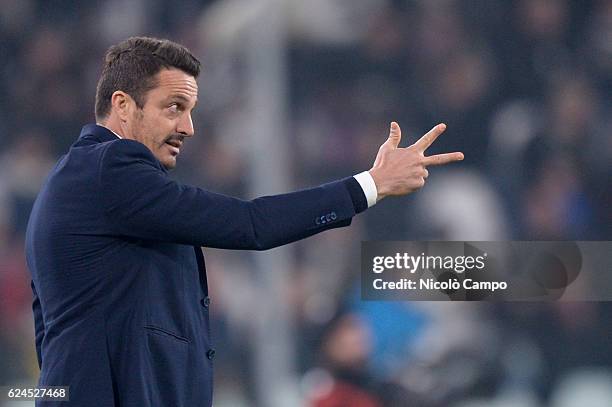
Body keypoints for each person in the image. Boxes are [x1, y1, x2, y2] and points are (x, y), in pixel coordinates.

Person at [25, 37, 463, 407]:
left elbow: (50, 330)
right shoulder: (112, 167)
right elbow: (250, 223)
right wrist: (370, 185)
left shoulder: (77, 186)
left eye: (191, 109)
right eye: (174, 107)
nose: (188, 127)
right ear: (122, 105)